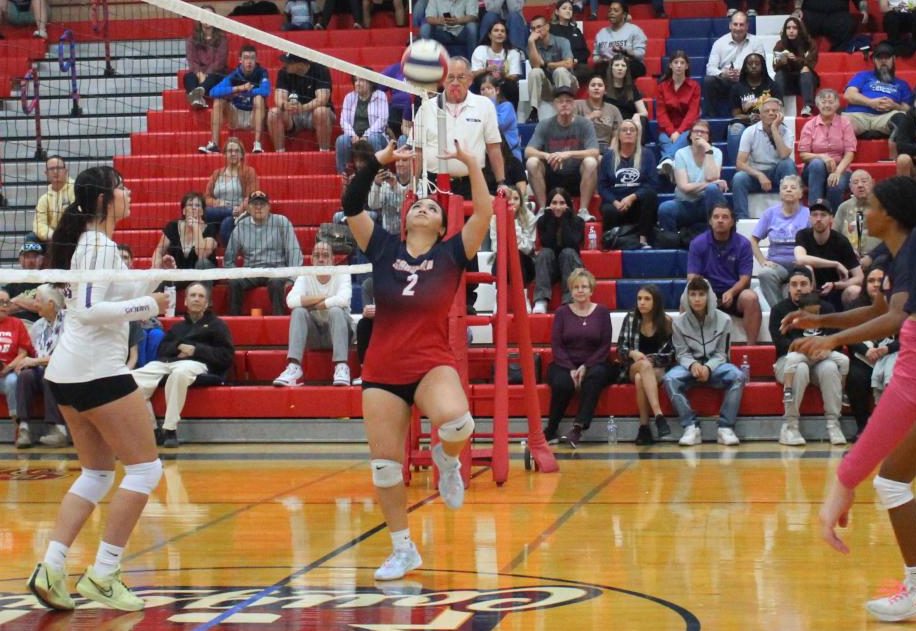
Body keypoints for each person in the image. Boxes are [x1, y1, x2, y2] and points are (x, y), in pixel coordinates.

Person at [341, 139, 491, 581]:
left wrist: (471, 166)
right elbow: (351, 204)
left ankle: (447, 461)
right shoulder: (384, 247)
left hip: (430, 362)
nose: (424, 207)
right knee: (386, 467)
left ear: (444, 222)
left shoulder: (451, 254)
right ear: (405, 220)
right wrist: (379, 162)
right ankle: (403, 549)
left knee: (458, 423)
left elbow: (483, 212)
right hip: (382, 369)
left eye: (432, 206)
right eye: (417, 205)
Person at [27, 166, 172, 612]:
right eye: (121, 188)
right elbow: (90, 310)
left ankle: (51, 566)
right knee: (146, 471)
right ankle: (105, 573)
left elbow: (105, 295)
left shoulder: (91, 245)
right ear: (104, 200)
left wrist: (153, 277)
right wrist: (151, 304)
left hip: (68, 374)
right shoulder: (98, 245)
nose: (129, 193)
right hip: (96, 371)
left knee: (97, 474)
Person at [779, 178, 916, 623]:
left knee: (890, 479)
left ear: (890, 214)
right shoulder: (901, 251)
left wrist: (831, 340)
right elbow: (880, 312)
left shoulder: (913, 248)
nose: (864, 212)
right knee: (893, 480)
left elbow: (895, 319)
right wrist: (819, 318)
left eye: (871, 205)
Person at [131, 282, 233, 448]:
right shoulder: (178, 327)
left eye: (201, 296)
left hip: (199, 364)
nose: (196, 299)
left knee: (179, 374)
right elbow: (163, 349)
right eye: (192, 295)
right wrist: (179, 346)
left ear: (207, 303)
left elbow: (226, 356)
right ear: (185, 301)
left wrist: (195, 350)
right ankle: (152, 429)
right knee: (132, 379)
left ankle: (170, 429)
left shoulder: (218, 326)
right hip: (169, 362)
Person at [769, 267, 848, 445]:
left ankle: (833, 424)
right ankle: (790, 426)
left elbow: (836, 339)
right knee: (800, 368)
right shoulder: (779, 310)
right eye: (794, 284)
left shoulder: (826, 308)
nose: (798, 288)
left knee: (830, 368)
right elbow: (780, 344)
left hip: (821, 360)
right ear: (788, 288)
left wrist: (824, 350)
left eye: (803, 284)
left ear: (811, 286)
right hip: (789, 360)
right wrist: (807, 349)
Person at [664, 277, 746, 446]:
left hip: (716, 366)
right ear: (686, 297)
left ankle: (725, 427)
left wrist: (708, 368)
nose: (697, 299)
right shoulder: (678, 323)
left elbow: (722, 353)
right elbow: (681, 353)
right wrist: (693, 365)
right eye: (692, 294)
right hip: (689, 368)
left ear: (709, 296)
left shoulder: (725, 320)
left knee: (738, 375)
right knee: (670, 379)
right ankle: (691, 427)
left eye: (701, 294)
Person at [543, 268, 615, 447]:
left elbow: (605, 346)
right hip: (564, 363)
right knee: (562, 382)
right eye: (576, 287)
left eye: (584, 287)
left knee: (594, 376)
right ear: (571, 290)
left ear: (591, 290)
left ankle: (578, 429)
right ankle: (551, 429)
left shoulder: (602, 312)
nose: (580, 290)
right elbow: (557, 345)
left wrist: (586, 366)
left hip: (596, 363)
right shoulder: (561, 313)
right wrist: (571, 369)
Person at [273, 241, 354, 388]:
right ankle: (294, 368)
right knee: (298, 311)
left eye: (325, 255)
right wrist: (325, 298)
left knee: (336, 310)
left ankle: (341, 366)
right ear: (311, 259)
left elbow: (343, 299)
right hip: (315, 335)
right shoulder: (305, 275)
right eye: (317, 256)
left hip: (340, 335)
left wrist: (312, 304)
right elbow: (290, 301)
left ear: (333, 260)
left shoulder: (342, 271)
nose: (321, 259)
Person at [688, 202, 762, 344]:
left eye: (725, 217)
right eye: (716, 217)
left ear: (732, 221)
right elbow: (692, 277)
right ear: (710, 221)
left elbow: (745, 278)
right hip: (707, 293)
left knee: (750, 297)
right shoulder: (697, 243)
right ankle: (692, 347)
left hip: (734, 294)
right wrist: (708, 294)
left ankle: (751, 349)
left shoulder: (743, 244)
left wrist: (732, 292)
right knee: (685, 299)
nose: (720, 220)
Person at [224, 190, 303, 316]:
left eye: (262, 204)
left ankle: (279, 321)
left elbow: (294, 251)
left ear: (269, 207)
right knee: (234, 283)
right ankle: (234, 320)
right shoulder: (241, 226)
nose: (259, 207)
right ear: (248, 208)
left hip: (276, 270)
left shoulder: (281, 222)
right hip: (251, 271)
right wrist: (233, 273)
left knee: (276, 283)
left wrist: (291, 278)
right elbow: (229, 258)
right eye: (255, 204)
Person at [524, 85, 599, 217]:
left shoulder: (584, 124)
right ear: (554, 105)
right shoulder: (545, 124)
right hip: (551, 176)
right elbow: (528, 150)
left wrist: (568, 154)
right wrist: (547, 155)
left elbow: (595, 152)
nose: (564, 104)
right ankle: (543, 210)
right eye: (560, 101)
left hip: (577, 176)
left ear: (574, 104)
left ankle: (583, 211)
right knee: (532, 162)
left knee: (591, 162)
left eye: (568, 101)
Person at [616, 284, 674, 445]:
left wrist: (652, 359)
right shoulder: (630, 319)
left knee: (642, 377)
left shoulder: (667, 322)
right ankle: (658, 415)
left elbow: (671, 354)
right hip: (633, 368)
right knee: (643, 368)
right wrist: (632, 353)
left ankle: (644, 428)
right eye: (639, 298)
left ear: (656, 302)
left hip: (657, 369)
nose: (642, 302)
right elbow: (620, 349)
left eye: (647, 299)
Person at [15, 284, 66, 448]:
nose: (34, 304)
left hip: (66, 370)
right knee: (25, 375)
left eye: (37, 300)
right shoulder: (38, 325)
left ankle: (59, 430)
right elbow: (30, 353)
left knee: (50, 373)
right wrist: (22, 363)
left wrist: (34, 361)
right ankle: (24, 429)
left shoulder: (70, 322)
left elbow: (64, 356)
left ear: (50, 303)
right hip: (41, 368)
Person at [657, 120, 728, 234]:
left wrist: (707, 150)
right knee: (665, 208)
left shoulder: (716, 152)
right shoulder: (681, 153)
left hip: (706, 204)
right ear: (690, 135)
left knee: (712, 190)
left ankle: (716, 235)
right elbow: (684, 187)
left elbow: (712, 177)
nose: (699, 134)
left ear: (709, 137)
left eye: (703, 132)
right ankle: (672, 240)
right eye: (696, 131)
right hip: (684, 203)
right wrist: (707, 184)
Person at [843, 42, 912, 159]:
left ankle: (893, 157)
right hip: (858, 116)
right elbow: (849, 95)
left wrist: (895, 106)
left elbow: (908, 108)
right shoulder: (863, 76)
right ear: (874, 61)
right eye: (879, 58)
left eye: (887, 57)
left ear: (894, 59)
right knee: (841, 122)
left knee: (903, 118)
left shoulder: (902, 84)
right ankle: (844, 159)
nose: (883, 61)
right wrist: (871, 102)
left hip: (885, 117)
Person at [732, 97, 797, 221]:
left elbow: (784, 155)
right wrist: (759, 175)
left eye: (775, 111)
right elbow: (739, 163)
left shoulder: (786, 132)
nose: (771, 113)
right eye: (767, 111)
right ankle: (741, 219)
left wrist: (774, 129)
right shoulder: (750, 132)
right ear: (760, 115)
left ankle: (792, 212)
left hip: (777, 173)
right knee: (738, 178)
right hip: (756, 174)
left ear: (780, 114)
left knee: (788, 164)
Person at [751, 174, 810, 309]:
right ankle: (780, 311)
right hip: (777, 265)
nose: (788, 190)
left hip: (800, 264)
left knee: (806, 274)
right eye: (784, 188)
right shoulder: (770, 213)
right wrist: (762, 261)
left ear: (801, 193)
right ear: (780, 193)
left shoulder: (808, 214)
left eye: (793, 187)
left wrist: (806, 260)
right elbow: (753, 240)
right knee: (764, 273)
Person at [844, 266, 890, 439]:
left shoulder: (898, 306)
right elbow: (848, 334)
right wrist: (867, 350)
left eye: (880, 280)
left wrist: (887, 349)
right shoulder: (855, 306)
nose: (876, 285)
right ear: (865, 284)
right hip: (863, 356)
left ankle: (891, 428)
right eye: (871, 281)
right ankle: (862, 426)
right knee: (856, 376)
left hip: (891, 355)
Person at [198, 45, 270, 155]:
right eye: (246, 58)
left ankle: (257, 144)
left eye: (252, 58)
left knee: (259, 98)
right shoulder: (234, 75)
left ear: (256, 60)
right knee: (218, 101)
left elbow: (266, 91)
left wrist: (246, 92)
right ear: (240, 60)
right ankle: (214, 145)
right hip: (235, 115)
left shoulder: (262, 73)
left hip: (253, 116)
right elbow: (213, 92)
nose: (249, 61)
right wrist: (237, 88)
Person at [794, 198, 863, 311]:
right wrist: (835, 264)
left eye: (823, 215)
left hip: (836, 290)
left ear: (831, 218)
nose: (818, 219)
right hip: (811, 291)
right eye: (815, 215)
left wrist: (836, 285)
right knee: (806, 268)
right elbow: (800, 258)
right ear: (809, 218)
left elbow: (859, 277)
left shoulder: (841, 241)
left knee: (854, 291)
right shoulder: (803, 235)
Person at [597, 120, 658, 249]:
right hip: (615, 203)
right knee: (608, 210)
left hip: (637, 203)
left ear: (637, 135)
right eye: (624, 130)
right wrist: (615, 202)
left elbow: (652, 184)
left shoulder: (647, 155)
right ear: (618, 135)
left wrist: (632, 197)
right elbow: (602, 187)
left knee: (650, 196)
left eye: (632, 130)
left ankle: (643, 239)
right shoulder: (608, 157)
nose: (628, 132)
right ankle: (611, 240)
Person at [798, 88, 856, 212]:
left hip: (840, 167)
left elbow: (850, 153)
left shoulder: (845, 123)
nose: (827, 105)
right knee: (817, 164)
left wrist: (837, 172)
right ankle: (814, 211)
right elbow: (803, 154)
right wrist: (823, 157)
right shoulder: (809, 125)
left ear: (837, 104)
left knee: (836, 184)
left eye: (831, 102)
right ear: (818, 105)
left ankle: (833, 219)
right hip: (813, 170)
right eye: (823, 102)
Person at [266, 53, 333, 153]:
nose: (285, 64)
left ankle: (324, 152)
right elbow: (279, 98)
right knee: (273, 113)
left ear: (300, 64)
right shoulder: (283, 72)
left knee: (321, 112)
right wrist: (285, 105)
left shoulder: (321, 71)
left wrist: (303, 107)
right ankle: (279, 153)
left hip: (313, 113)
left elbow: (322, 99)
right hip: (293, 114)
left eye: (289, 62)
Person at [532, 188, 584, 314]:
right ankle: (541, 300)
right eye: (554, 203)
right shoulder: (543, 221)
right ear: (549, 205)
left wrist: (565, 219)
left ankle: (570, 300)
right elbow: (548, 243)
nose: (558, 207)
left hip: (571, 264)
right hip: (551, 267)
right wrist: (551, 220)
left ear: (568, 205)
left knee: (567, 252)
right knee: (545, 253)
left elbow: (571, 243)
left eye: (562, 203)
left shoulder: (578, 221)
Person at [703, 11, 766, 117]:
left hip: (747, 82)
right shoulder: (719, 43)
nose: (738, 28)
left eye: (741, 25)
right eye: (735, 24)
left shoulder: (756, 42)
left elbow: (761, 66)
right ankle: (711, 117)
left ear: (747, 26)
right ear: (730, 25)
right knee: (708, 80)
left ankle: (752, 115)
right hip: (726, 81)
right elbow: (710, 68)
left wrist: (745, 73)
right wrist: (723, 73)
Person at [727, 53, 782, 167]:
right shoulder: (737, 88)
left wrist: (762, 117)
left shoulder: (773, 86)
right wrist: (750, 117)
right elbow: (736, 115)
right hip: (745, 123)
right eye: (750, 64)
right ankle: (739, 167)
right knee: (735, 129)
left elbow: (779, 110)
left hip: (768, 123)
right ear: (745, 67)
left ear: (763, 66)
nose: (753, 66)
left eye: (757, 63)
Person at [203, 137, 259, 245]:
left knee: (226, 224)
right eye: (230, 151)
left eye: (237, 151)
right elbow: (206, 198)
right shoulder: (216, 174)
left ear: (242, 155)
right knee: (204, 213)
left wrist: (239, 209)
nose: (233, 154)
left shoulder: (249, 172)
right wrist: (217, 203)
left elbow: (251, 197)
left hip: (239, 214)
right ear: (224, 154)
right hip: (218, 212)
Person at [655, 51, 701, 177]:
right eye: (676, 62)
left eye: (682, 63)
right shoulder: (662, 87)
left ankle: (666, 160)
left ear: (687, 66)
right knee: (663, 139)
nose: (679, 65)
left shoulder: (694, 86)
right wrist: (671, 132)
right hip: (667, 129)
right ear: (670, 65)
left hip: (687, 128)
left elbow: (693, 113)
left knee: (686, 137)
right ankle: (672, 164)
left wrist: (679, 132)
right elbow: (661, 113)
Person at [525, 14, 577, 124]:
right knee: (535, 72)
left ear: (547, 27)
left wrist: (549, 64)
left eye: (539, 27)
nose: (536, 31)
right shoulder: (533, 45)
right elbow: (536, 66)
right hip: (548, 87)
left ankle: (565, 108)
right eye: (533, 28)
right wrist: (531, 43)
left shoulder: (562, 41)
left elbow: (569, 64)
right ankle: (534, 111)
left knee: (560, 71)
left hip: (568, 83)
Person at [0, 287, 35, 447]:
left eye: (7, 302)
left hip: (9, 372)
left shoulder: (17, 323)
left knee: (13, 381)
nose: (4, 306)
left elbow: (23, 353)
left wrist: (6, 369)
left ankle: (21, 429)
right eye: (1, 302)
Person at [151, 192, 218, 274]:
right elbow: (158, 251)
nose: (193, 208)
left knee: (202, 263)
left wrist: (196, 227)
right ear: (184, 211)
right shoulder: (173, 226)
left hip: (202, 275)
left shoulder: (210, 228)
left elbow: (202, 255)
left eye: (197, 205)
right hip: (178, 273)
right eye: (190, 205)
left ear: (202, 212)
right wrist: (155, 267)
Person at [489, 185, 536, 299]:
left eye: (516, 198)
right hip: (502, 259)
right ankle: (499, 299)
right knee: (503, 257)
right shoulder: (495, 218)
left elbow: (528, 247)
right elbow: (495, 246)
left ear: (521, 200)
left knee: (518, 255)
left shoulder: (529, 217)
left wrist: (514, 223)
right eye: (509, 199)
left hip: (525, 261)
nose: (512, 202)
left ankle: (524, 298)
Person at [335, 76, 389, 175]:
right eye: (355, 81)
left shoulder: (380, 96)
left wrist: (366, 135)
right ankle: (344, 175)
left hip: (376, 135)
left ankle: (379, 173)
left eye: (361, 80)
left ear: (370, 83)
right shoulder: (349, 97)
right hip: (355, 137)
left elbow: (382, 120)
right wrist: (352, 135)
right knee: (342, 140)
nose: (357, 83)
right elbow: (343, 120)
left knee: (373, 138)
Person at [772, 16, 818, 117]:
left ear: (800, 29)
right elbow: (775, 67)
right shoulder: (780, 44)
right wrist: (782, 62)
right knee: (779, 74)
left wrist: (795, 59)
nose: (791, 31)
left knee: (805, 70)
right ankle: (778, 106)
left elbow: (810, 63)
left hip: (806, 80)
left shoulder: (810, 43)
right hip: (788, 81)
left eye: (794, 28)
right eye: (788, 28)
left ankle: (808, 106)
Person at [183, 5, 227, 109]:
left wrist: (206, 75)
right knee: (188, 77)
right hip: (198, 74)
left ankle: (196, 95)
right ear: (200, 19)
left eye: (210, 15)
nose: (207, 18)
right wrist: (199, 74)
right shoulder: (191, 40)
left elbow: (220, 62)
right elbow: (192, 61)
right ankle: (198, 98)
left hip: (215, 74)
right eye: (204, 15)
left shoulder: (222, 40)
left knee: (214, 77)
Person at [471, 19, 523, 108]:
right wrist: (486, 70)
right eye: (496, 30)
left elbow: (514, 76)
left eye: (503, 31)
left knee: (512, 86)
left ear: (506, 36)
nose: (500, 33)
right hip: (484, 81)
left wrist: (503, 74)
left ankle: (509, 113)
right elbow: (473, 74)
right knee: (478, 82)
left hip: (504, 82)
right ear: (490, 35)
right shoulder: (480, 50)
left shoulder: (513, 52)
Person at [592, 1, 648, 79]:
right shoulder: (601, 33)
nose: (611, 13)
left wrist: (626, 51)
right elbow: (595, 57)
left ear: (624, 15)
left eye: (616, 11)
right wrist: (602, 59)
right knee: (598, 69)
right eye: (610, 11)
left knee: (633, 67)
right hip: (608, 64)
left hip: (628, 64)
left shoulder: (635, 30)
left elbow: (640, 54)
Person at [835, 169, 881, 258]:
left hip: (877, 258)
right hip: (849, 258)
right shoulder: (844, 207)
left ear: (872, 183)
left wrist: (871, 256)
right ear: (850, 187)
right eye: (855, 183)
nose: (860, 185)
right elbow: (834, 236)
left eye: (864, 181)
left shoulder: (882, 206)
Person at [574, 74, 623, 154]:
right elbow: (570, 129)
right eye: (593, 85)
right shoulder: (577, 105)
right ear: (587, 90)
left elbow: (617, 134)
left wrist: (611, 152)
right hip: (583, 148)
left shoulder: (613, 109)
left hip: (606, 148)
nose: (596, 88)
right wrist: (589, 117)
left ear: (605, 91)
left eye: (600, 85)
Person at [33, 155, 74, 243]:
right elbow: (39, 224)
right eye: (51, 169)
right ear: (46, 173)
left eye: (59, 168)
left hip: (74, 235)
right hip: (53, 238)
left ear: (66, 171)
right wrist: (53, 235)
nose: (55, 172)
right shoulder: (44, 199)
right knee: (31, 239)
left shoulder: (76, 190)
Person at [793, 0, 862, 52]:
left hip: (838, 15)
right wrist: (797, 9)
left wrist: (863, 10)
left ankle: (838, 57)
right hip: (811, 13)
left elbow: (861, 1)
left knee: (848, 23)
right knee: (797, 22)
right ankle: (803, 57)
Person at [604, 54, 649, 133]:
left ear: (626, 70)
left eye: (623, 66)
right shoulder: (604, 88)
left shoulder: (631, 88)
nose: (620, 68)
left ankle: (637, 144)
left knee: (641, 120)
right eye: (617, 65)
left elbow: (644, 112)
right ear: (611, 68)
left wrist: (637, 115)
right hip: (611, 124)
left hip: (629, 125)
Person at [480, 76, 522, 162]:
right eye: (482, 89)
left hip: (511, 154)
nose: (485, 92)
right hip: (490, 154)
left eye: (489, 88)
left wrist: (489, 102)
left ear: (497, 90)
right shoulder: (479, 110)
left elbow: (498, 126)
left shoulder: (507, 106)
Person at [4, 239, 45, 323]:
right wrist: (30, 304)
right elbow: (3, 308)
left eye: (34, 256)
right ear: (21, 260)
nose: (31, 261)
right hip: (15, 326)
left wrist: (17, 300)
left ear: (41, 260)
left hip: (37, 325)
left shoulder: (47, 282)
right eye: (27, 257)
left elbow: (44, 307)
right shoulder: (13, 284)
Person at [550, 0, 591, 84]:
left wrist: (576, 60)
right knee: (561, 71)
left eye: (570, 9)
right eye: (564, 8)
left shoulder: (576, 30)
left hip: (576, 65)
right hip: (558, 65)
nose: (568, 11)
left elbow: (584, 52)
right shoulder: (551, 30)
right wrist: (564, 63)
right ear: (557, 12)